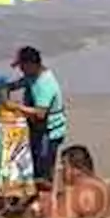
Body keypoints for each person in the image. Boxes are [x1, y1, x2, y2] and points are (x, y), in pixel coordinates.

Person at [10, 47, 68, 196]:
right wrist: (7, 87)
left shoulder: (44, 84)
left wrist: (16, 107)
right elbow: (22, 82)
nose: (21, 70)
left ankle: (48, 201)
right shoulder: (33, 75)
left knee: (43, 169)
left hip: (49, 132)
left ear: (31, 64)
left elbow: (40, 113)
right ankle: (39, 198)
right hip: (38, 129)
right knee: (35, 166)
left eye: (22, 66)